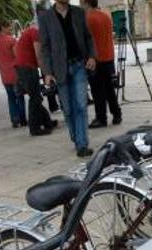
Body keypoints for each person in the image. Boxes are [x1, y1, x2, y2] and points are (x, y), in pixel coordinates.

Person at [38, 0, 97, 157]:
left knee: (81, 105)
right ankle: (76, 137)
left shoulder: (79, 12)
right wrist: (47, 72)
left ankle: (82, 144)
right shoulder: (45, 17)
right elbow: (45, 47)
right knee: (68, 109)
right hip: (60, 69)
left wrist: (91, 56)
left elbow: (88, 37)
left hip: (79, 65)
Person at [16, 15, 58, 135]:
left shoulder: (30, 31)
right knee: (34, 98)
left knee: (36, 97)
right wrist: (47, 73)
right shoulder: (35, 33)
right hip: (27, 68)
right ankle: (34, 129)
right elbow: (39, 55)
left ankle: (47, 122)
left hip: (23, 67)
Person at [84, 0, 122, 128]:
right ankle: (117, 114)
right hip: (108, 57)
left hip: (96, 59)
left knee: (97, 91)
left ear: (85, 2)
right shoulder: (106, 15)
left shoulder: (88, 18)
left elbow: (87, 40)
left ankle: (101, 118)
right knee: (109, 88)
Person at [0, 20, 27, 128]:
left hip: (4, 74)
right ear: (2, 27)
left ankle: (14, 119)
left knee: (11, 97)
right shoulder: (11, 40)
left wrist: (3, 65)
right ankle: (22, 119)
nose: (11, 29)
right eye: (9, 28)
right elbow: (17, 56)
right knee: (19, 96)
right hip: (15, 73)